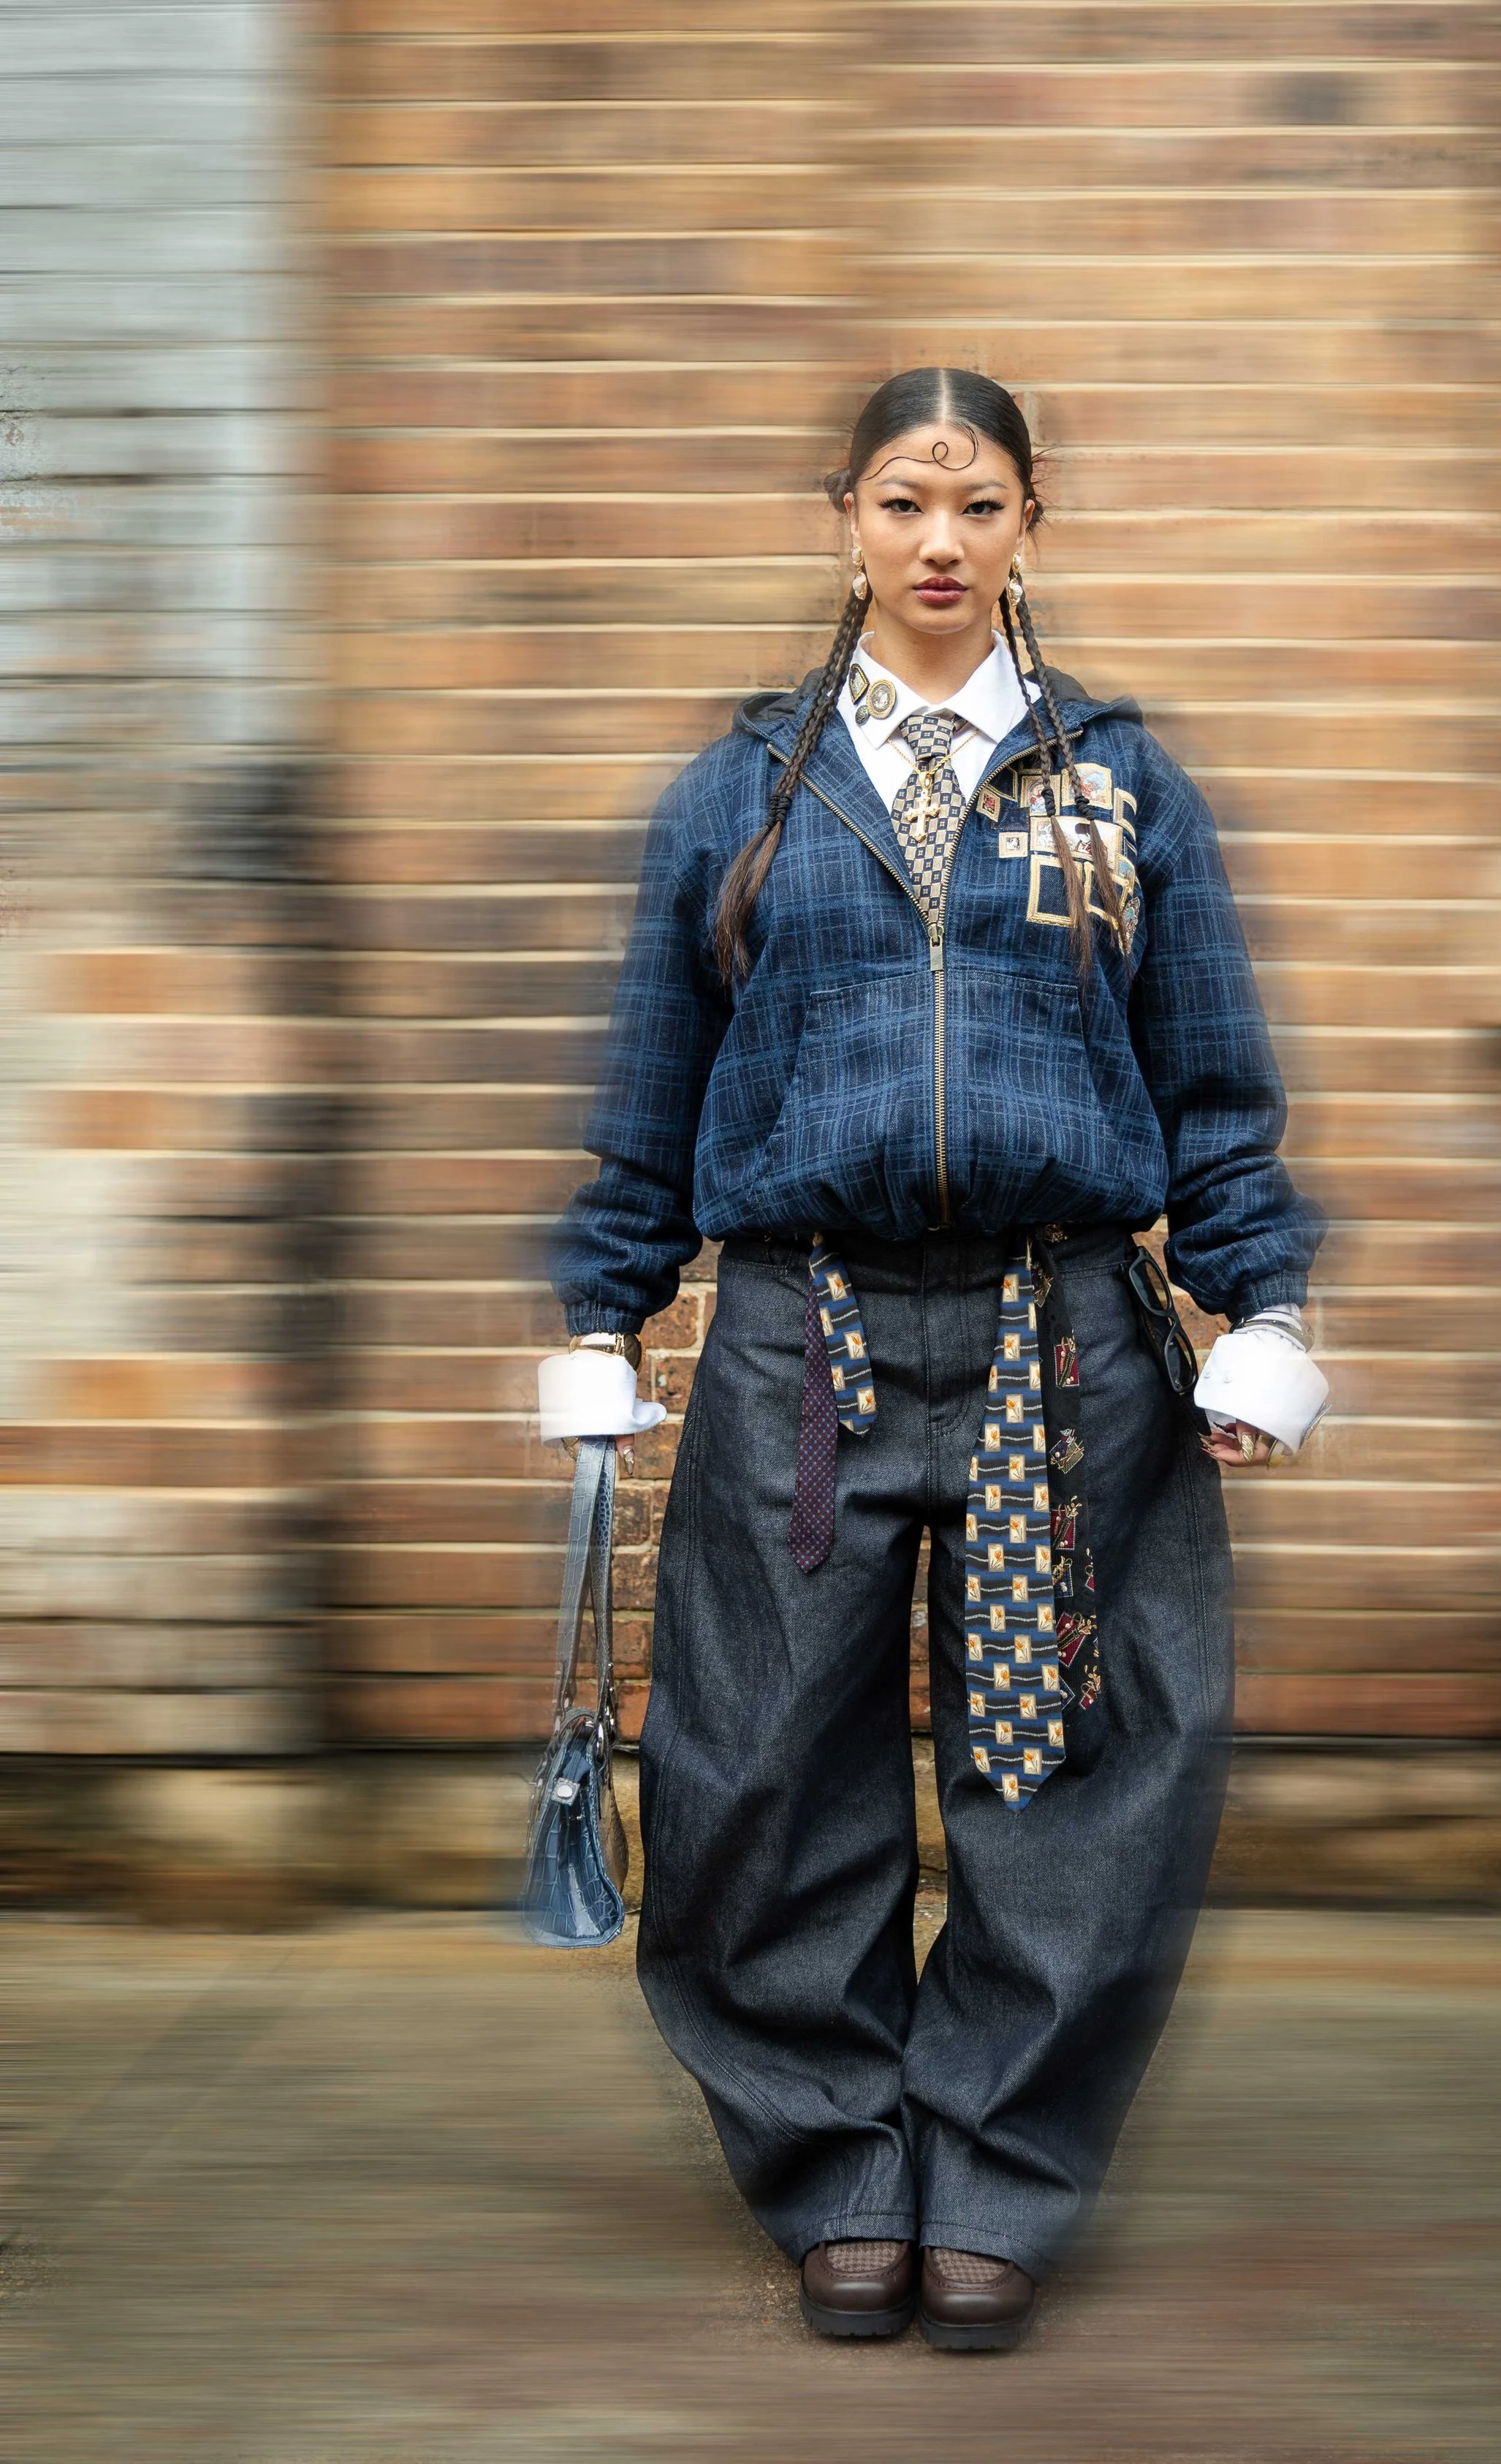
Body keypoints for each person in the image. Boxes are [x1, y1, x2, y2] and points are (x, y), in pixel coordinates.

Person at [547, 367, 1328, 2351]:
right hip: (796, 1331)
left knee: (1071, 1774)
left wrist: (1261, 1309)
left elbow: (1214, 1084)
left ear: (1029, 520)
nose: (938, 539)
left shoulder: (1118, 783)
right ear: (845, 519)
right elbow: (651, 1089)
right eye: (904, 498)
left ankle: (988, 2173)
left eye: (975, 501)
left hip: (1059, 1333)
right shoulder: (741, 788)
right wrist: (598, 1307)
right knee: (749, 1776)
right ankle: (832, 2171)